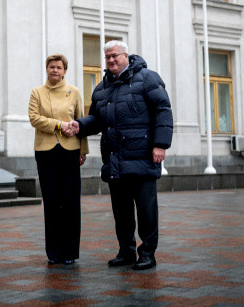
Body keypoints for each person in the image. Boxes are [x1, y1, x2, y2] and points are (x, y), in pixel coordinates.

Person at [68, 40, 172, 270]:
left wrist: (160, 144)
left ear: (126, 56)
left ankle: (147, 253)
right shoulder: (102, 88)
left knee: (146, 210)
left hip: (143, 157)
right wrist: (80, 125)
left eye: (115, 55)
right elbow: (97, 119)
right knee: (122, 212)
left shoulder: (148, 78)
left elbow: (163, 110)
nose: (111, 60)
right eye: (107, 57)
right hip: (115, 160)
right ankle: (126, 251)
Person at [28, 54, 88, 265]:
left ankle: (70, 252)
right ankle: (53, 252)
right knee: (51, 201)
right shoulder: (37, 92)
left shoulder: (74, 92)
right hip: (46, 151)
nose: (55, 70)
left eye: (59, 67)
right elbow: (34, 118)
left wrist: (83, 150)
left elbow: (80, 122)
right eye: (51, 67)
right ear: (47, 69)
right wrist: (59, 125)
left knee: (71, 201)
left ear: (64, 71)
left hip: (70, 150)